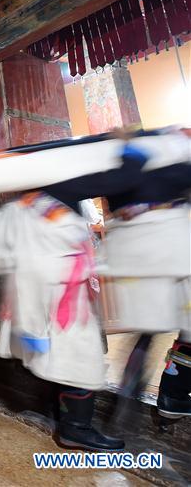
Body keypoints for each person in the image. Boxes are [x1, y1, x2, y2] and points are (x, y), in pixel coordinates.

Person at [0, 139, 149, 451]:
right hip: (59, 300)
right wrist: (132, 150)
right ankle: (76, 428)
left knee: (64, 361)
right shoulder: (56, 193)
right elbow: (118, 181)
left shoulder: (21, 208)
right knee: (82, 362)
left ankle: (63, 417)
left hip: (48, 298)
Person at [100, 151, 191, 419]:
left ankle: (142, 392)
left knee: (151, 328)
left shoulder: (129, 168)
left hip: (134, 252)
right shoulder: (176, 166)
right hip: (167, 249)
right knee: (179, 328)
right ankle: (169, 396)